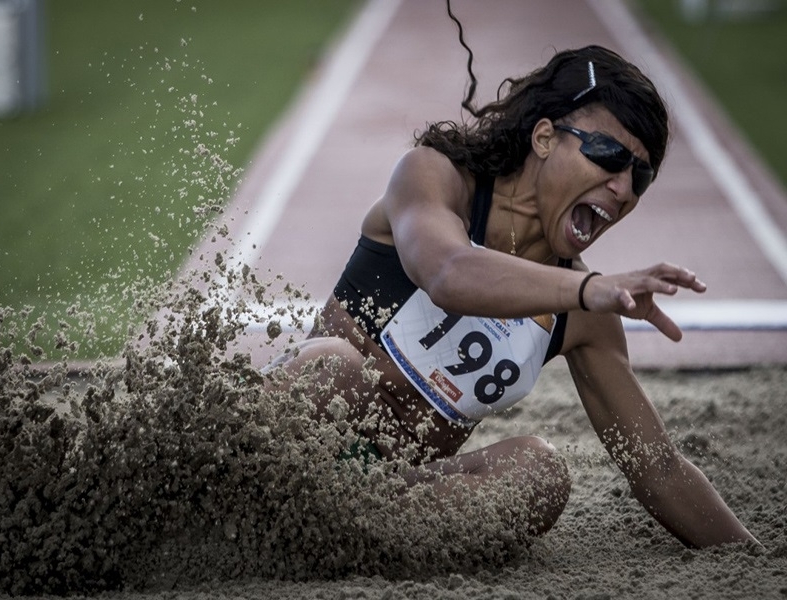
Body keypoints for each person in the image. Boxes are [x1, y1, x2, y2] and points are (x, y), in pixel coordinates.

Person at [262, 43, 758, 548]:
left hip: (402, 494)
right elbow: (449, 273)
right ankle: (237, 497)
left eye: (641, 175)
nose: (624, 188)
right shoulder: (435, 178)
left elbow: (658, 468)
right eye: (609, 155)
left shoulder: (583, 313)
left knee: (540, 472)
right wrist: (587, 288)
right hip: (299, 445)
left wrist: (754, 563)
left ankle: (345, 526)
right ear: (544, 137)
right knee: (332, 365)